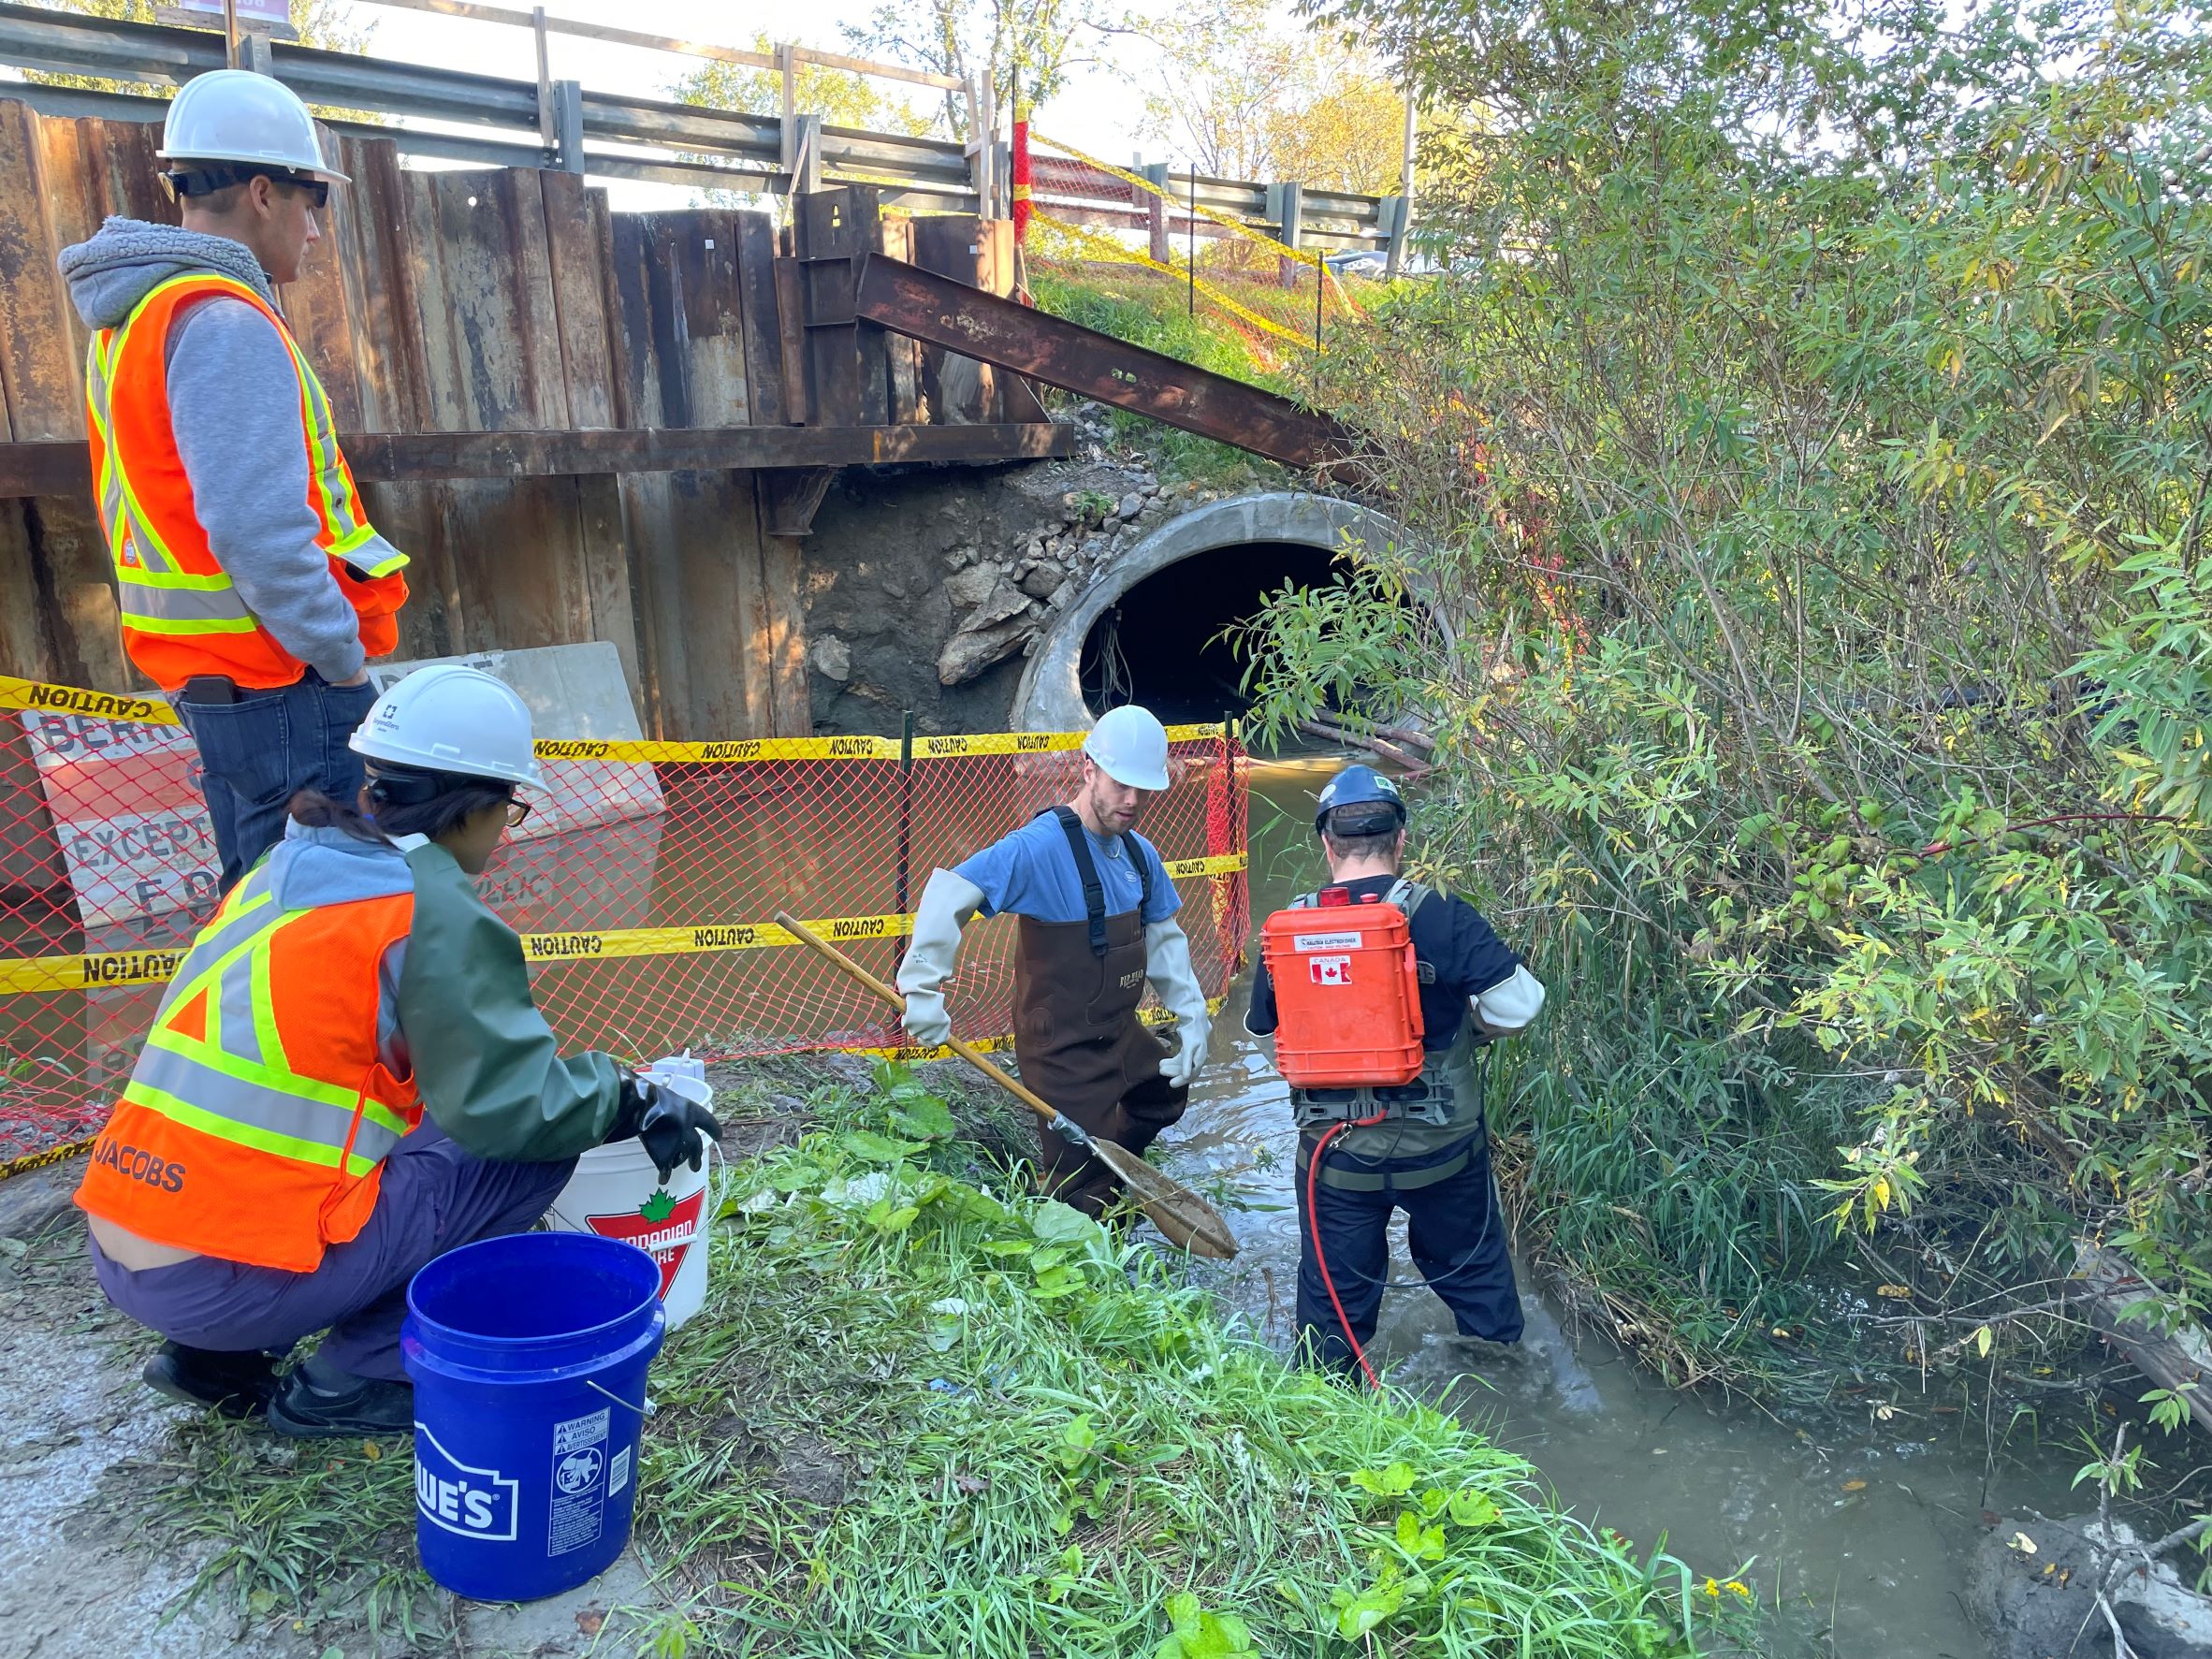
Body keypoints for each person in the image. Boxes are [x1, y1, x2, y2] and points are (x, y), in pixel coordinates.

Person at [72, 666, 723, 1437]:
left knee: (420, 1134)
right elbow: (512, 1113)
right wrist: (624, 1097)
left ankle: (212, 1361)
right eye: (510, 811)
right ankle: (351, 1379)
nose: (505, 831)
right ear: (477, 805)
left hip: (127, 1242)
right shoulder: (425, 909)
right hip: (222, 1278)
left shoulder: (285, 872)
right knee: (534, 1157)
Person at [58, 69, 410, 892]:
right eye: (312, 202)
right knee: (323, 925)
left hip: (232, 686)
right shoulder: (223, 322)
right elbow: (257, 531)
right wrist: (342, 660)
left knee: (267, 912)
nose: (316, 232)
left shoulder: (140, 319)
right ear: (261, 191)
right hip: (289, 684)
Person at [1246, 764, 1547, 1375]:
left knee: (1332, 1322)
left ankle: (1331, 1424)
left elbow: (1260, 1030)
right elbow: (1522, 1003)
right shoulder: (1441, 913)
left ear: (1327, 844)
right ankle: (1508, 1399)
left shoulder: (1289, 927)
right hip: (1443, 1153)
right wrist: (1470, 1027)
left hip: (1339, 1160)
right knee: (1479, 1289)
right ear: (1401, 840)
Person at [896, 706, 1213, 1215]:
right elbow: (948, 894)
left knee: (1162, 1091)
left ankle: (1119, 1169)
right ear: (1088, 768)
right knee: (1079, 1183)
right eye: (1120, 784)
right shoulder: (1037, 849)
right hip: (1060, 1044)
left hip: (1117, 1028)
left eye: (1143, 789)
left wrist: (1193, 1014)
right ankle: (1083, 1237)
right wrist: (921, 990)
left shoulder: (1139, 854)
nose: (1132, 802)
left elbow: (1164, 936)